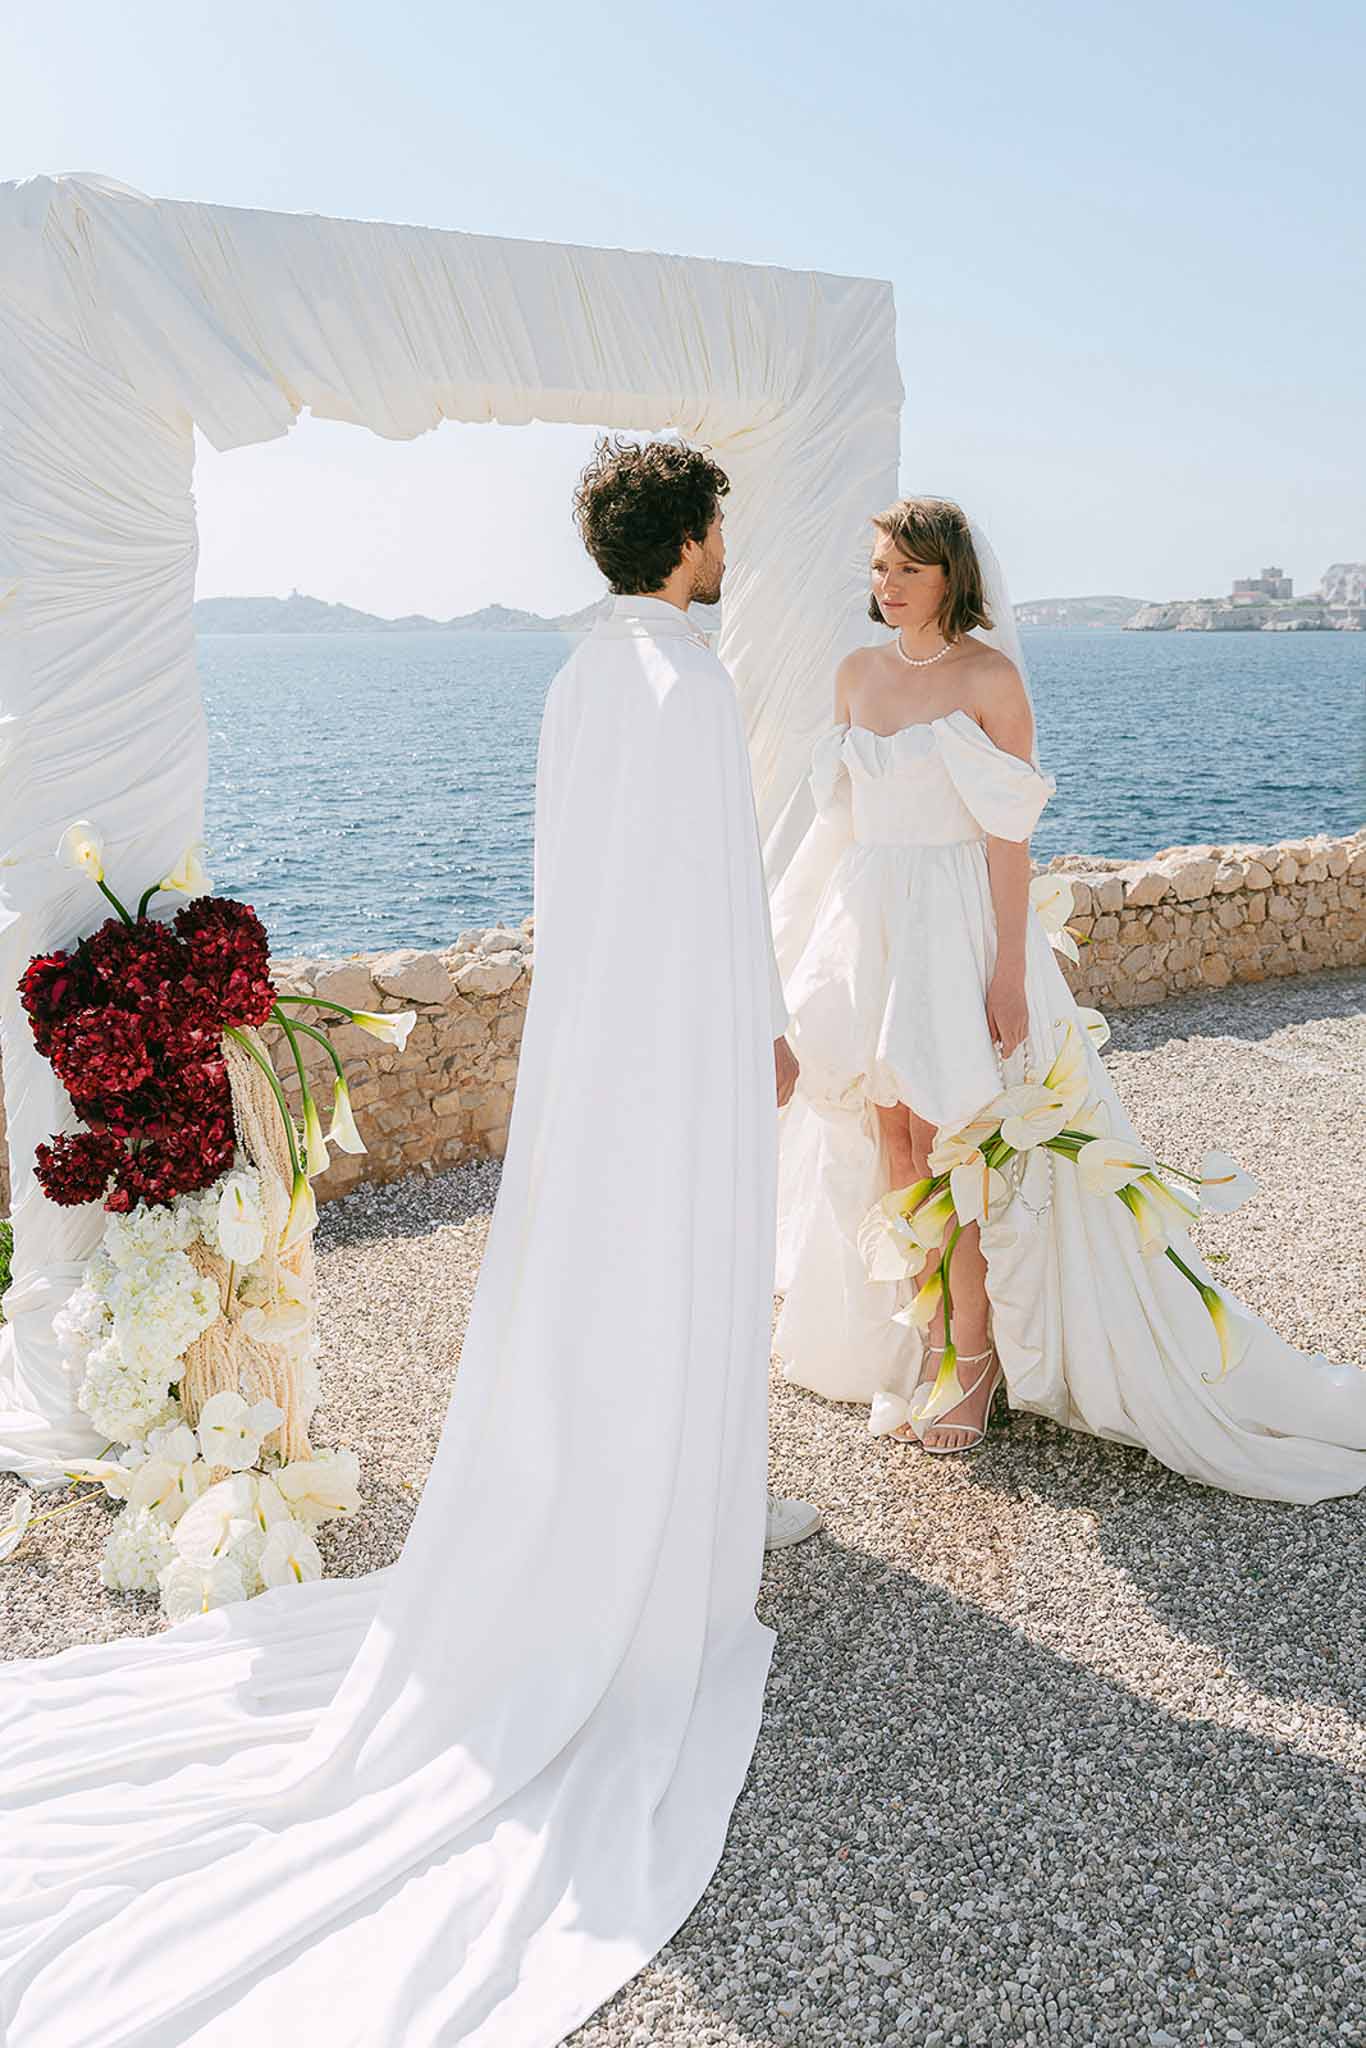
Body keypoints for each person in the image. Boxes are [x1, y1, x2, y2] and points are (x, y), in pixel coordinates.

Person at [0, 437, 818, 2048]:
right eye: (721, 522)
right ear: (687, 539)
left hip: (598, 1053)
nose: (731, 544)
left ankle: (636, 1489)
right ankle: (675, 1517)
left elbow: (587, 892)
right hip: (680, 1047)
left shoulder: (580, 685)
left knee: (601, 1282)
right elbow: (720, 892)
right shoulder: (688, 689)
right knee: (682, 1266)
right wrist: (766, 1030)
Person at [770, 495, 1366, 1500]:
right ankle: (924, 1343)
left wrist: (1005, 969)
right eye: (878, 568)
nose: (887, 585)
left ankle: (974, 1354)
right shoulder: (854, 674)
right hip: (869, 922)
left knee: (957, 1150)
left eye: (905, 569)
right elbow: (841, 823)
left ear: (951, 575)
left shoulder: (990, 679)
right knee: (893, 1147)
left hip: (956, 922)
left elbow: (1009, 841)